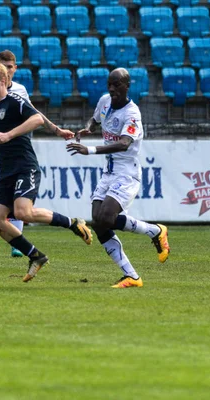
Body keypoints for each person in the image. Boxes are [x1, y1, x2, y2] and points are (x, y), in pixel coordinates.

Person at [0, 61, 92, 283]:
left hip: (24, 167)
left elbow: (37, 119)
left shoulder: (15, 101)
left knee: (22, 212)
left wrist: (9, 135)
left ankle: (72, 223)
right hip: (7, 173)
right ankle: (35, 256)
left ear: (2, 82)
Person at [66, 68, 169, 288]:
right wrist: (87, 129)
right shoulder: (104, 101)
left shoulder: (132, 114)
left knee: (106, 218)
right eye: (109, 84)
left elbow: (124, 144)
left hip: (127, 173)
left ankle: (156, 231)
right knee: (98, 222)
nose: (112, 89)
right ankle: (132, 275)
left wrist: (90, 150)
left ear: (127, 86)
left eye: (117, 85)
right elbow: (95, 120)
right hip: (109, 173)